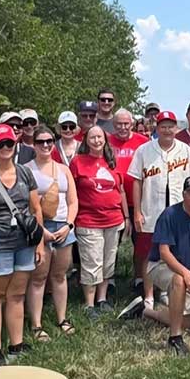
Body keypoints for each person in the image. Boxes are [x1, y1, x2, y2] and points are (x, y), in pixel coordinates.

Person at [0, 123, 45, 365]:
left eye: (9, 143)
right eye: (0, 143)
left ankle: (16, 343)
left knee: (17, 294)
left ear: (16, 144)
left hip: (24, 243)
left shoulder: (25, 173)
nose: (5, 147)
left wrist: (39, 243)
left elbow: (36, 209)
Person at [128, 110, 190, 315]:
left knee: (174, 253)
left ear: (176, 128)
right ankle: (149, 295)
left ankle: (167, 291)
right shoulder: (144, 150)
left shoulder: (185, 150)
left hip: (179, 211)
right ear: (156, 128)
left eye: (171, 126)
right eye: (163, 126)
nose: (167, 130)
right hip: (151, 209)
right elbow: (137, 181)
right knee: (148, 254)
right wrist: (137, 212)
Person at [145, 176, 190, 356]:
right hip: (160, 265)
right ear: (183, 194)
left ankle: (147, 312)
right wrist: (186, 274)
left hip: (186, 268)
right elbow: (164, 252)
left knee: (187, 321)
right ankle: (175, 338)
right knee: (178, 280)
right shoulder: (170, 215)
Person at [71, 125, 129, 317]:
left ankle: (102, 299)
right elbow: (72, 191)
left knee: (107, 262)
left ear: (105, 140)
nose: (97, 140)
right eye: (92, 137)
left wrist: (126, 216)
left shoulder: (112, 162)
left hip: (114, 219)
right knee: (92, 262)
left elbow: (121, 190)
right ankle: (89, 304)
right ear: (86, 141)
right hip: (89, 221)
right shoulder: (78, 162)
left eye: (100, 137)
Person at [27, 125, 78, 337]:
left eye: (49, 141)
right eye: (41, 142)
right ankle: (36, 325)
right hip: (40, 227)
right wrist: (40, 231)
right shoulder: (27, 170)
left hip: (63, 227)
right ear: (34, 144)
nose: (46, 145)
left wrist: (68, 225)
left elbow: (73, 201)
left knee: (59, 275)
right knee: (38, 277)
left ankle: (62, 318)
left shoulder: (63, 170)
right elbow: (25, 206)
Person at [109, 107, 149, 176]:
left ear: (132, 125)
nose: (123, 127)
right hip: (113, 182)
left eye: (126, 124)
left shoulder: (144, 142)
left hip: (136, 182)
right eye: (119, 124)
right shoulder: (106, 141)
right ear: (114, 125)